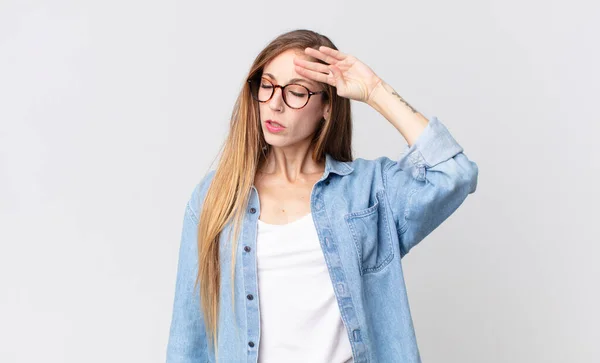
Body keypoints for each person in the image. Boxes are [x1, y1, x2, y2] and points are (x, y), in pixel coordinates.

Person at [166, 29, 478, 363]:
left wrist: (375, 91)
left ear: (326, 107)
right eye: (267, 86)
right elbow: (190, 337)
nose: (274, 103)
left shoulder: (367, 193)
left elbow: (454, 173)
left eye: (296, 92)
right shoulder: (218, 196)